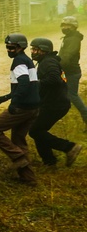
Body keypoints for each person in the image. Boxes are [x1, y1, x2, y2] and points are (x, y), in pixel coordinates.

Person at [0, 33, 40, 185]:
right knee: (18, 140)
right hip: (34, 107)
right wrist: (6, 97)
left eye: (11, 47)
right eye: (7, 47)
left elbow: (23, 83)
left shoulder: (18, 61)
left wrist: (14, 103)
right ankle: (28, 178)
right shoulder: (27, 60)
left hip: (23, 107)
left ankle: (18, 157)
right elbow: (27, 84)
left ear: (20, 47)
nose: (9, 50)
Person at [28, 37, 82, 167]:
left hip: (54, 105)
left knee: (35, 131)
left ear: (44, 51)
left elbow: (54, 80)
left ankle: (69, 148)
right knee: (39, 130)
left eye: (36, 49)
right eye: (32, 49)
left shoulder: (49, 63)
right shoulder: (47, 61)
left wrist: (35, 84)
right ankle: (49, 161)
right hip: (55, 103)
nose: (33, 52)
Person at [59, 16, 87, 131]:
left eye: (68, 26)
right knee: (60, 93)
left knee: (72, 96)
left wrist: (58, 64)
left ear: (74, 27)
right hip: (66, 71)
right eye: (63, 25)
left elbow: (68, 56)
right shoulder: (69, 38)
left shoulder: (73, 39)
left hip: (71, 72)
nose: (65, 28)